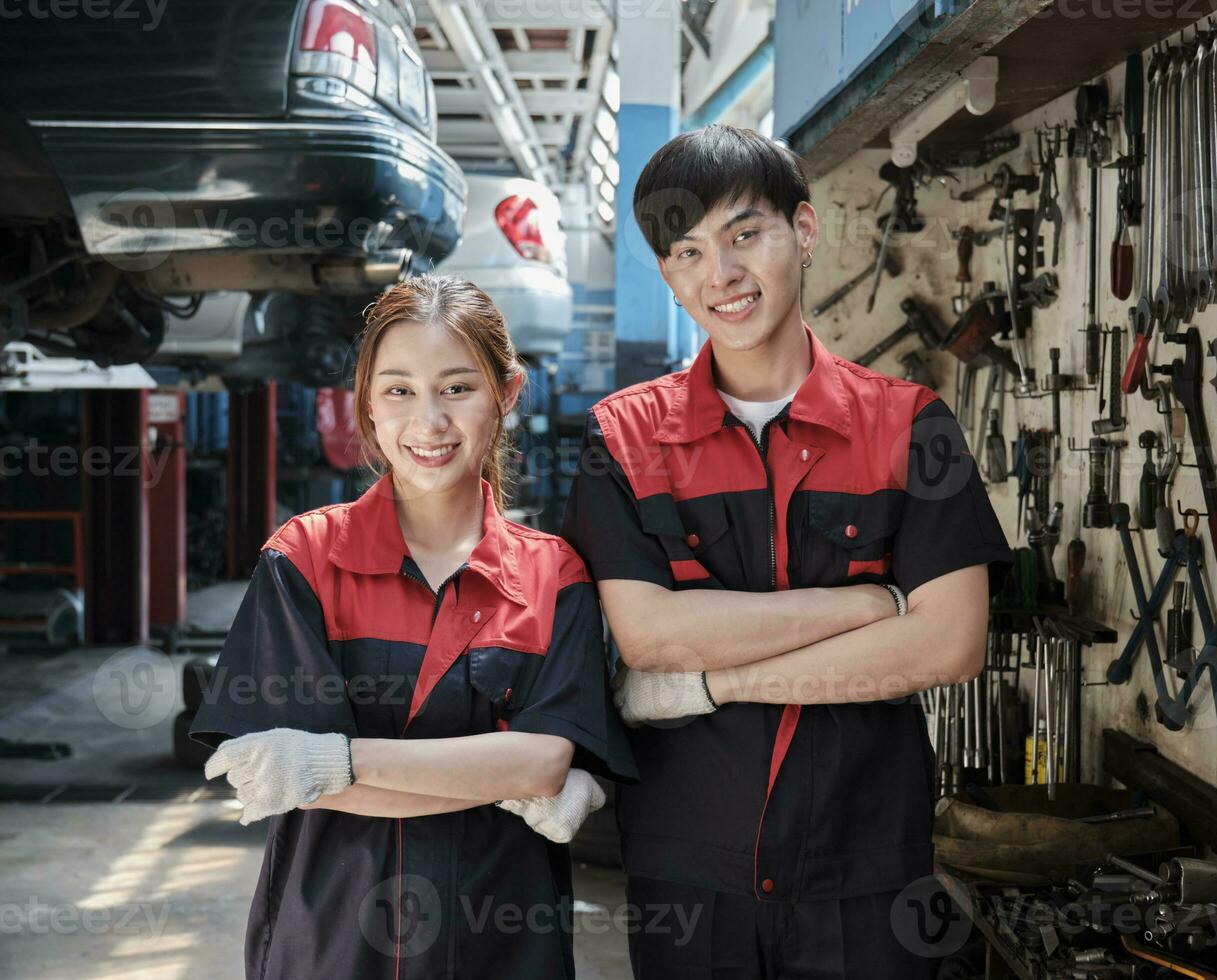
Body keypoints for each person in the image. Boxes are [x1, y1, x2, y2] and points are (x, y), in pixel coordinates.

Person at [560, 125, 1013, 978]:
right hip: (688, 869)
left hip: (868, 866)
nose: (720, 275)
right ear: (668, 275)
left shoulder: (913, 426)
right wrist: (862, 607)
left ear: (803, 233)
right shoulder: (620, 440)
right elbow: (652, 637)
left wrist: (707, 683)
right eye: (688, 251)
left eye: (744, 235)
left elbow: (949, 644)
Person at [192, 275, 636, 980]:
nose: (428, 422)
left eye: (457, 388)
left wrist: (334, 761)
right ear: (366, 402)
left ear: (507, 394)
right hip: (330, 944)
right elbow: (279, 775)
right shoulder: (304, 560)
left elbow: (544, 764)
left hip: (500, 944)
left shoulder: (555, 578)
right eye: (398, 391)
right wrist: (496, 771)